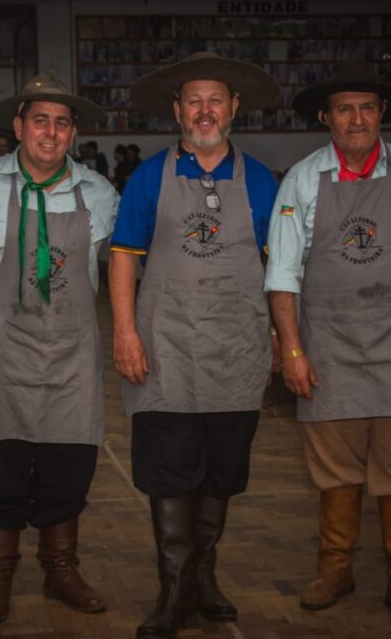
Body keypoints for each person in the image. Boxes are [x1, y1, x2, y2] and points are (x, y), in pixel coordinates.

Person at [266, 61, 391, 628]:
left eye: (367, 108)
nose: (357, 119)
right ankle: (335, 569)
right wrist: (292, 350)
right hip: (330, 348)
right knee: (336, 467)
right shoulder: (302, 179)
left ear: (382, 114)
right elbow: (282, 274)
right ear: (325, 118)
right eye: (344, 109)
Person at [109, 52, 280, 638]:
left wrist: (282, 337)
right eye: (194, 101)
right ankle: (174, 592)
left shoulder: (261, 181)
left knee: (219, 474)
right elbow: (123, 259)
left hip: (235, 352)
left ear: (234, 108)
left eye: (216, 101)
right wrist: (125, 333)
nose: (205, 111)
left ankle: (204, 578)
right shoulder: (146, 178)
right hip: (167, 351)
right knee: (168, 474)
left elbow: (279, 268)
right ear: (178, 111)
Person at [0, 70, 119, 624]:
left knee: (68, 469)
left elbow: (124, 268)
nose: (50, 133)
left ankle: (60, 569)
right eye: (39, 121)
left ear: (73, 132)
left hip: (72, 358)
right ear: (18, 126)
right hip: (0, 356)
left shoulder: (100, 193)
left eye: (61, 123)